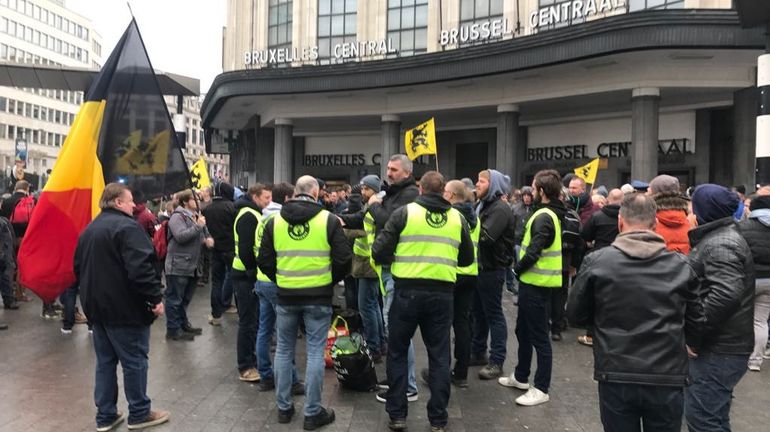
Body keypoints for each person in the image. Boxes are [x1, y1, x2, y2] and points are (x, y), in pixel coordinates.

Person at [567, 193, 702, 432]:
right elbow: (697, 321)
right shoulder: (681, 265)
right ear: (656, 224)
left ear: (620, 221)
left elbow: (575, 314)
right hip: (666, 375)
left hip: (616, 371)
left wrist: (601, 322)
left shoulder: (598, 261)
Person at [371, 171, 474, 432]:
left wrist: (403, 256)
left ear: (421, 188)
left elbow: (379, 250)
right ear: (443, 192)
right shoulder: (457, 218)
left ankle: (397, 415)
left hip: (406, 291)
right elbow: (466, 260)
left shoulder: (404, 214)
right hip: (442, 294)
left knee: (396, 352)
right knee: (439, 356)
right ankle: (438, 419)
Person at [257, 176, 351, 430]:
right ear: (316, 192)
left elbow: (263, 259)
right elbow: (344, 259)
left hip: (286, 295)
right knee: (314, 352)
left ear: (294, 193)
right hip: (318, 296)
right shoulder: (328, 220)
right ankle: (312, 412)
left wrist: (281, 279)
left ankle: (284, 408)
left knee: (284, 349)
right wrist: (329, 281)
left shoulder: (273, 221)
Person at [74, 183, 169, 431]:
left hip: (97, 309)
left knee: (105, 362)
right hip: (125, 309)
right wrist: (155, 299)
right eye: (129, 201)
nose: (134, 205)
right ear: (117, 202)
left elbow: (77, 269)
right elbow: (141, 269)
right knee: (134, 360)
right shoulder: (128, 228)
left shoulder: (89, 230)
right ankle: (139, 412)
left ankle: (105, 415)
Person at [341, 155, 420, 402]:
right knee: (392, 326)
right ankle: (399, 379)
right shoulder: (391, 194)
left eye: (394, 169)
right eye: (388, 168)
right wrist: (341, 219)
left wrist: (375, 204)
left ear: (407, 172)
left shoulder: (408, 195)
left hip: (397, 269)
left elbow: (386, 219)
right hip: (384, 268)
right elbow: (365, 217)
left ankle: (407, 386)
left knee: (397, 329)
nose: (389, 173)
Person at [685, 184, 755, 432]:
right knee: (713, 417)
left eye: (692, 205)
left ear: (702, 210)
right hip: (722, 346)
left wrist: (695, 335)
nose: (688, 210)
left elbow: (725, 294)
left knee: (703, 420)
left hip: (718, 349)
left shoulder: (720, 243)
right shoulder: (717, 238)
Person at [498, 169, 564, 407]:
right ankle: (521, 376)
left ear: (542, 191)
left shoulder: (544, 216)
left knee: (539, 338)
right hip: (532, 285)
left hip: (537, 285)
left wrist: (517, 269)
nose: (531, 192)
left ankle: (541, 388)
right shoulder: (545, 214)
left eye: (534, 188)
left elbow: (534, 250)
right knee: (523, 332)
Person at [254, 181, 304, 393]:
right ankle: (291, 380)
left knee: (264, 330)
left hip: (261, 281)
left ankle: (265, 375)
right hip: (276, 282)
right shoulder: (281, 219)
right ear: (287, 199)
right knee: (285, 336)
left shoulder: (263, 218)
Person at [471, 169, 515, 380]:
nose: (476, 184)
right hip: (480, 268)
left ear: (493, 184)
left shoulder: (500, 209)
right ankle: (478, 352)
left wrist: (468, 218)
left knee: (494, 314)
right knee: (479, 313)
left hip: (491, 269)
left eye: (481, 181)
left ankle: (497, 361)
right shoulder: (483, 205)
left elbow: (486, 236)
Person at [231, 183, 272, 382]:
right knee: (247, 322)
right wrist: (251, 273)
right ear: (255, 196)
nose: (269, 202)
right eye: (266, 198)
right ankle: (245, 366)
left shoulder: (250, 212)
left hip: (245, 274)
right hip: (245, 276)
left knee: (252, 321)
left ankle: (251, 361)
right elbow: (247, 250)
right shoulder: (249, 215)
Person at [442, 179, 479, 387]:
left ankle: (442, 370)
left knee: (444, 323)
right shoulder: (475, 216)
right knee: (463, 323)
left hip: (453, 273)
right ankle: (462, 373)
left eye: (446, 191)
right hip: (471, 274)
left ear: (453, 195)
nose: (443, 194)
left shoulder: (452, 216)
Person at [164, 189, 213, 341]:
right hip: (179, 265)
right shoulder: (177, 217)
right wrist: (198, 226)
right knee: (175, 299)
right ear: (185, 201)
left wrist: (207, 238)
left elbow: (204, 233)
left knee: (185, 299)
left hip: (192, 265)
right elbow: (180, 236)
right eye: (194, 198)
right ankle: (173, 329)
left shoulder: (196, 216)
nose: (198, 201)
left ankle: (182, 324)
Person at [349, 175, 386, 362]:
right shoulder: (372, 205)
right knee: (373, 305)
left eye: (367, 189)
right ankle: (380, 342)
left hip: (368, 262)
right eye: (362, 189)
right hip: (367, 261)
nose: (363, 192)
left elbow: (363, 229)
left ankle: (374, 347)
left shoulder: (375, 207)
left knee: (367, 307)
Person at [738, 186, 770, 371]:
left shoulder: (743, 227)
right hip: (769, 281)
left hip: (748, 279)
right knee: (760, 321)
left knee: (742, 318)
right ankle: (756, 361)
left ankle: (740, 353)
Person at [201, 182, 236, 326]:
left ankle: (216, 315)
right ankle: (239, 311)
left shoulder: (207, 209)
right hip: (231, 249)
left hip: (215, 250)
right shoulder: (233, 207)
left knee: (217, 282)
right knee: (236, 280)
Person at [647, 175, 691, 254]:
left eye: (649, 190)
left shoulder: (648, 219)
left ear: (654, 193)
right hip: (684, 263)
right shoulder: (689, 218)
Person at [509, 186, 535, 294]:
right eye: (524, 195)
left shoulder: (535, 208)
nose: (527, 198)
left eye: (529, 195)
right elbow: (511, 225)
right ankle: (519, 289)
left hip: (531, 241)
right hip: (518, 241)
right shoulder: (516, 208)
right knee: (518, 265)